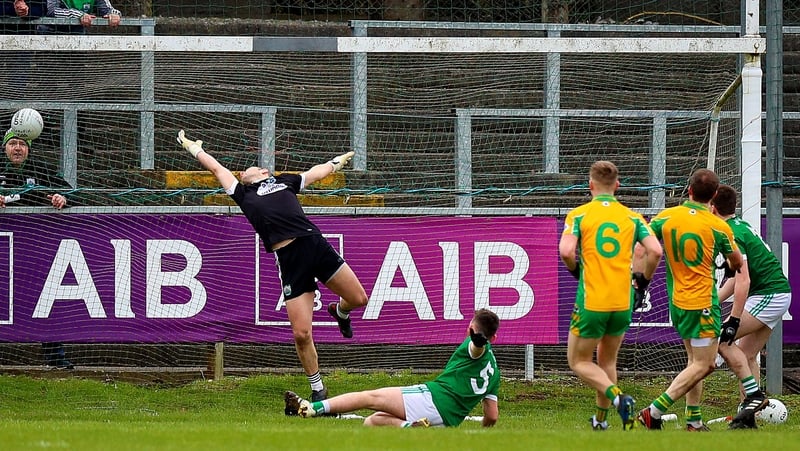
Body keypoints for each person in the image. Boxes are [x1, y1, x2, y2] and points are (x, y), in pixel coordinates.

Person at [177, 129, 369, 403]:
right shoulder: (242, 194)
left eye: (250, 168)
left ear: (264, 172)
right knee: (301, 333)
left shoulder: (284, 181)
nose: (244, 171)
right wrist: (194, 149)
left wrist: (336, 162)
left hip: (314, 245)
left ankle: (339, 310)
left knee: (358, 298)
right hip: (289, 259)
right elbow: (217, 169)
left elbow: (315, 173)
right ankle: (318, 389)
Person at [559, 160, 663, 431]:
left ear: (590, 185)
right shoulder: (632, 217)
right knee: (607, 360)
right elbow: (655, 251)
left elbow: (567, 251)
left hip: (593, 299)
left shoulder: (579, 215)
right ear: (617, 186)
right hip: (623, 299)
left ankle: (619, 398)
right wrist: (644, 279)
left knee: (579, 361)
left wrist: (576, 271)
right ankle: (601, 421)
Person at [636, 168, 743, 431]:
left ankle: (694, 420)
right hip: (703, 303)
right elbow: (737, 261)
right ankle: (654, 410)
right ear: (715, 195)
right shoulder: (719, 226)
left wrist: (641, 281)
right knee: (705, 364)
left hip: (678, 302)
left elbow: (643, 247)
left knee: (693, 361)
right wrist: (730, 264)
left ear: (689, 190)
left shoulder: (667, 217)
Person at [284, 308, 501, 428]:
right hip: (445, 422)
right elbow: (491, 416)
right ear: (495, 337)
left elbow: (476, 349)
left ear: (470, 328)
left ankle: (313, 408)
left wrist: (476, 340)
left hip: (432, 400)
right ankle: (410, 429)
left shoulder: (473, 345)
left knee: (370, 397)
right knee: (372, 422)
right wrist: (483, 435)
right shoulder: (495, 373)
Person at [711, 184, 792, 429]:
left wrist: (733, 320)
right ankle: (748, 415)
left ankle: (751, 403)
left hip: (769, 294)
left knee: (722, 342)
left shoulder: (730, 233)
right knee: (745, 354)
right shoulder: (739, 225)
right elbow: (735, 278)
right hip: (774, 294)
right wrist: (712, 300)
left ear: (712, 208)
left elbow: (743, 281)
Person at [1, 128, 74, 369]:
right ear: (5, 148)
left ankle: (57, 360)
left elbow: (74, 193)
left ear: (29, 149)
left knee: (45, 304)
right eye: (13, 144)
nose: (18, 148)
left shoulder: (41, 170)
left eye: (22, 143)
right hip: (4, 252)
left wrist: (63, 198)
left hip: (35, 251)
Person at [38, 0, 121, 34]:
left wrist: (114, 14)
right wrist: (78, 15)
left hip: (77, 35)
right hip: (50, 33)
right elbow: (51, 10)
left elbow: (107, 9)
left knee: (77, 68)